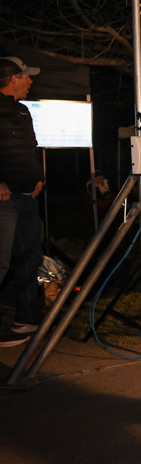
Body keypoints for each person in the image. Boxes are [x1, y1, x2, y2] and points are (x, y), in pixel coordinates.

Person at [0, 57, 45, 346]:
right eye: (25, 76)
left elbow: (31, 146)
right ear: (11, 78)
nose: (30, 81)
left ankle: (27, 320)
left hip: (28, 196)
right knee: (0, 262)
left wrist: (38, 177)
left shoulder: (22, 111)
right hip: (4, 200)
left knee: (31, 257)